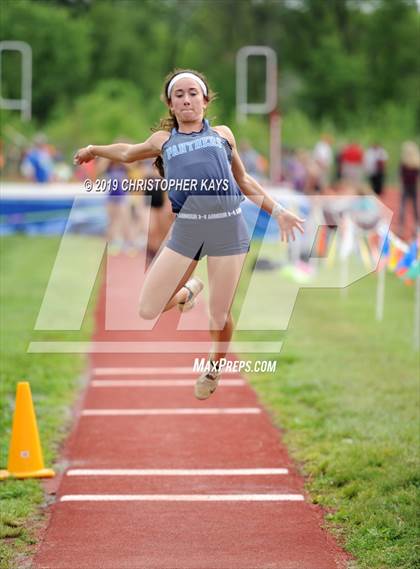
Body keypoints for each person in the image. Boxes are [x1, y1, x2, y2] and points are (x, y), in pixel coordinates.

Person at [74, 68, 305, 400]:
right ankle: (187, 293)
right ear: (170, 104)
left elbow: (245, 181)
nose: (186, 99)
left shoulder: (224, 135)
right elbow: (127, 152)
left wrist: (279, 212)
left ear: (205, 101)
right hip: (188, 227)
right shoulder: (163, 141)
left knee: (219, 315)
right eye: (178, 94)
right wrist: (94, 149)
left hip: (228, 225)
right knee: (147, 308)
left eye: (193, 93)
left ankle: (213, 367)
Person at [398, 141, 419, 238]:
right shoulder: (404, 163)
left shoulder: (416, 163)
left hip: (412, 187)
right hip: (407, 187)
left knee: (413, 208)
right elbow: (401, 176)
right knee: (403, 208)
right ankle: (401, 228)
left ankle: (416, 227)